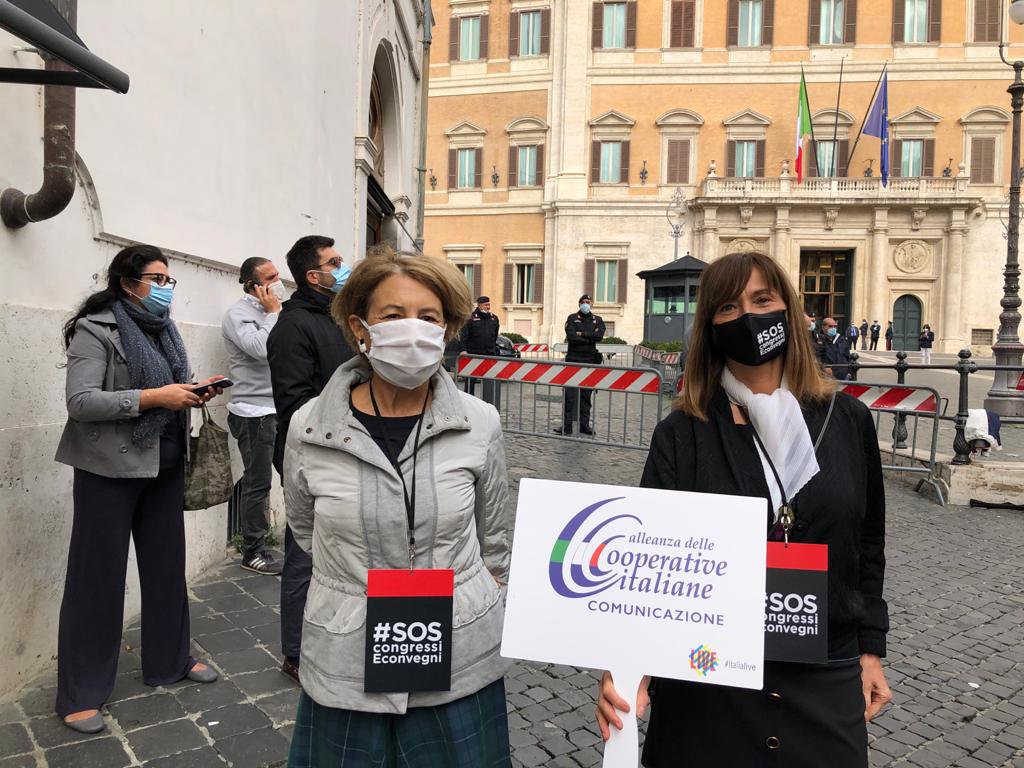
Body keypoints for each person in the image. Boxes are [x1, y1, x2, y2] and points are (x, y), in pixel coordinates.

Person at [596, 251, 890, 767]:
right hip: (707, 680)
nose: (747, 317)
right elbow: (643, 563)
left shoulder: (848, 420)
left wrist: (870, 650)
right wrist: (627, 666)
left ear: (787, 310)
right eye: (728, 308)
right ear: (710, 326)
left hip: (824, 672)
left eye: (762, 300)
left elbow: (868, 542)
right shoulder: (681, 433)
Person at [284, 247, 512, 767]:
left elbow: (494, 534)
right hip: (346, 660)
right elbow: (303, 529)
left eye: (428, 317)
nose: (412, 329)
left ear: (448, 327)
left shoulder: (480, 423)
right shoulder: (309, 427)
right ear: (360, 327)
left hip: (458, 658)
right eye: (392, 315)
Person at [54, 245, 224, 734]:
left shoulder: (164, 330)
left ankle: (169, 660)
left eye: (170, 279)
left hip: (165, 466)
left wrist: (192, 390)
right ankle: (81, 692)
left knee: (167, 568)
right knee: (97, 581)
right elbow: (81, 402)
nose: (166, 287)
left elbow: (168, 388)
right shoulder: (96, 328)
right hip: (109, 470)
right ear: (128, 282)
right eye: (157, 278)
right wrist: (155, 397)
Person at [267, 235, 354, 684]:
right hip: (316, 457)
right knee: (304, 555)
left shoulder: (341, 319)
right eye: (335, 262)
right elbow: (294, 403)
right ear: (312, 275)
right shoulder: (292, 326)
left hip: (357, 450)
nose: (344, 266)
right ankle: (296, 653)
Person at [221, 257, 285, 575]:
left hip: (279, 408)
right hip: (253, 412)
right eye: (271, 277)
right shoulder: (238, 314)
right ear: (252, 284)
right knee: (257, 483)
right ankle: (253, 551)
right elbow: (260, 348)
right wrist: (273, 315)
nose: (278, 281)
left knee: (293, 474)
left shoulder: (275, 309)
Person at [556, 294, 605, 436]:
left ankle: (584, 425)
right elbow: (572, 337)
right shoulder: (572, 318)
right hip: (573, 360)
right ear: (579, 304)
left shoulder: (598, 320)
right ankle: (567, 426)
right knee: (569, 395)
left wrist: (581, 333)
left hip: (590, 361)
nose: (585, 304)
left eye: (588, 302)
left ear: (592, 304)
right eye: (583, 302)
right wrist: (589, 336)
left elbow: (599, 337)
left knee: (586, 396)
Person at [459, 295, 501, 408]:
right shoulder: (471, 318)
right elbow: (463, 336)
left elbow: (495, 335)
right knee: (470, 382)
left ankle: (488, 405)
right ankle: (468, 404)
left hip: (489, 354)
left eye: (489, 304)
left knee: (489, 381)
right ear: (479, 305)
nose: (488, 307)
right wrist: (463, 350)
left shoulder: (494, 318)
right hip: (473, 355)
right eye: (486, 305)